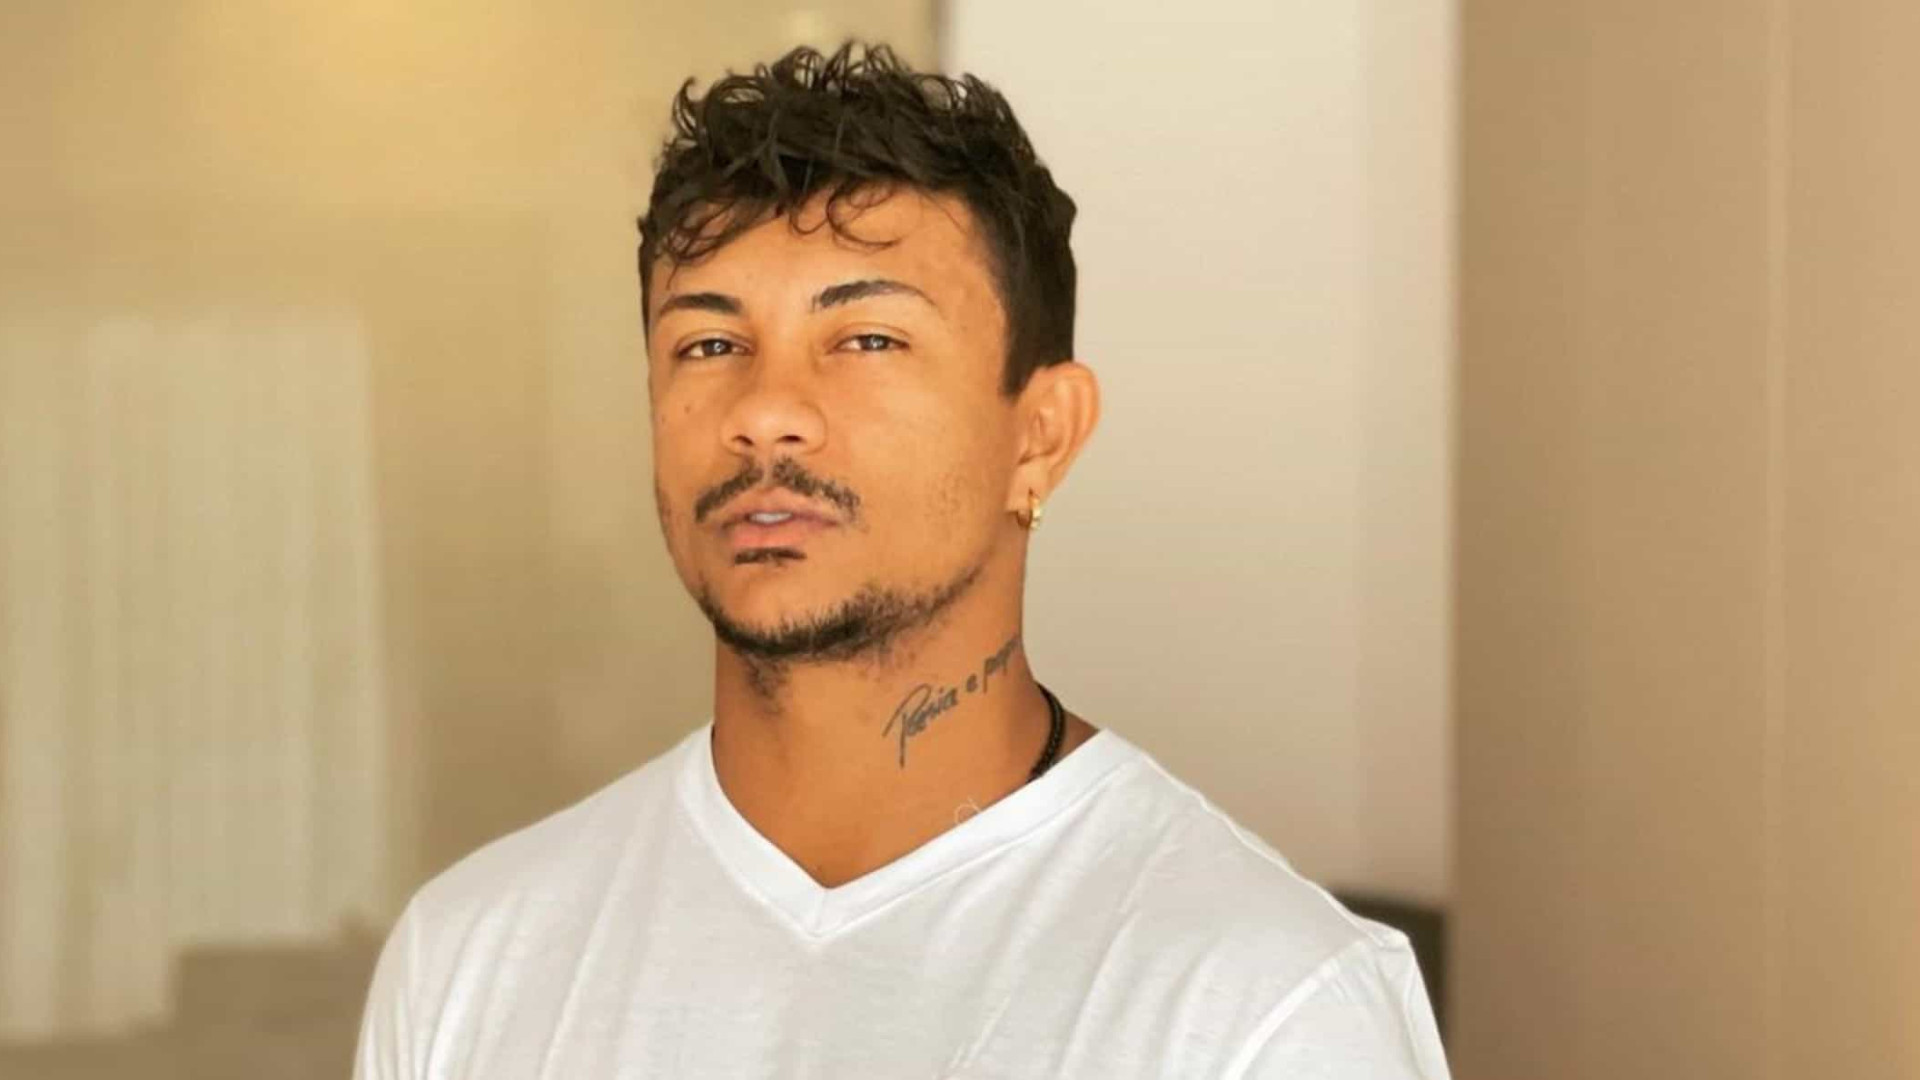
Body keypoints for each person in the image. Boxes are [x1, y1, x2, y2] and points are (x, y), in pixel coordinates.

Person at [353, 41, 1450, 1079]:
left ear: (1041, 437)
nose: (765, 411)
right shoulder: (473, 957)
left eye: (867, 339)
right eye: (710, 344)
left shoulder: (1267, 1003)